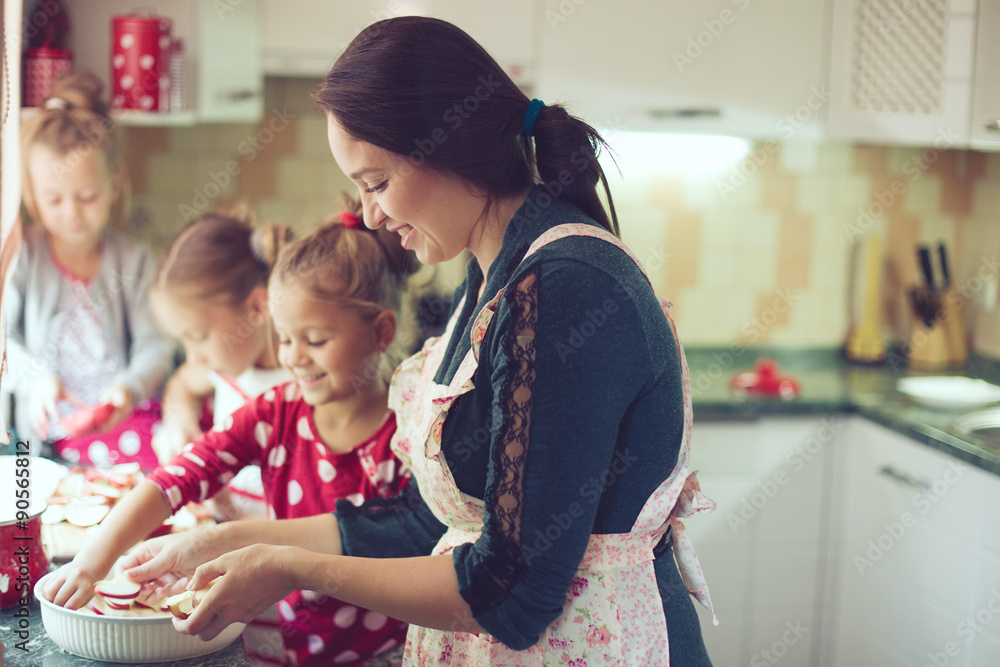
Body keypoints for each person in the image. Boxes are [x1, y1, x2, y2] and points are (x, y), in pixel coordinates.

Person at [119, 16, 718, 665]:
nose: (370, 213)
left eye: (376, 182)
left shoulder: (564, 290)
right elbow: (420, 520)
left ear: (450, 147)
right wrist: (224, 542)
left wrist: (291, 567)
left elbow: (511, 593)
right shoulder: (491, 275)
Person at [43, 211, 417, 666]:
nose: (295, 358)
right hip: (288, 645)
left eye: (315, 340)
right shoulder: (276, 411)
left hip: (385, 655)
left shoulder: (409, 434)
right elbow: (179, 475)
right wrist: (93, 560)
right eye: (285, 339)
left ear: (380, 332)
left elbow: (403, 554)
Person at [4, 72, 174, 467]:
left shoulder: (134, 259)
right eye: (54, 199)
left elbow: (156, 345)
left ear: (114, 184)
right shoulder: (23, 255)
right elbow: (3, 343)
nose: (72, 213)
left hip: (121, 428)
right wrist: (38, 378)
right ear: (32, 193)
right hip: (43, 441)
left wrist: (128, 390)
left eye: (87, 196)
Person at [149, 211, 294, 523]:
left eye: (199, 337)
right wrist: (179, 422)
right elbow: (182, 385)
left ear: (257, 307)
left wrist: (226, 509)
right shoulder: (224, 368)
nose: (193, 357)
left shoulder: (305, 385)